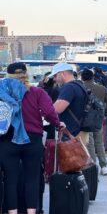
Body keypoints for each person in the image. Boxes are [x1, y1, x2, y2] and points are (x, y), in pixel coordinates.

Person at [0, 62, 63, 214]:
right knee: (32, 178)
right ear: (26, 74)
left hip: (8, 140)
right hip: (32, 139)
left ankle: (12, 212)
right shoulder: (37, 92)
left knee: (10, 179)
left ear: (8, 76)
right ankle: (31, 212)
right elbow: (49, 111)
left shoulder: (2, 93)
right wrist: (57, 123)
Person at [81, 69, 107, 175]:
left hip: (85, 120)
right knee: (99, 143)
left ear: (82, 78)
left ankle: (92, 166)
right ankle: (104, 167)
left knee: (89, 144)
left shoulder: (81, 88)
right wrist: (106, 113)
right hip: (98, 119)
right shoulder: (101, 88)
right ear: (93, 77)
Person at [48, 63, 89, 144]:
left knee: (69, 156)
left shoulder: (69, 88)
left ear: (62, 74)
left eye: (55, 76)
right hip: (80, 131)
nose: (54, 79)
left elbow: (56, 109)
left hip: (71, 133)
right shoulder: (80, 85)